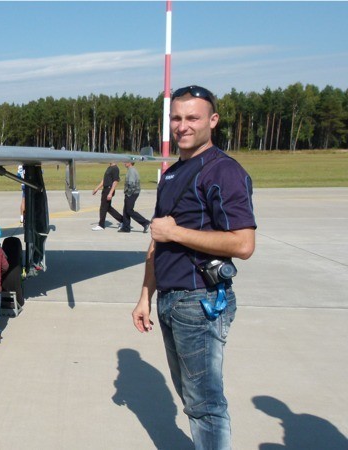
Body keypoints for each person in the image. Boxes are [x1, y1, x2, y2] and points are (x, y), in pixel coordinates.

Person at [131, 85, 256, 450]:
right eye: (176, 118)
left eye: (192, 118)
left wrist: (176, 232)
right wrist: (144, 296)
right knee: (192, 399)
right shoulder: (172, 173)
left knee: (205, 405)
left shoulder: (224, 171)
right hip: (170, 301)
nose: (182, 126)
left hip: (200, 300)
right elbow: (157, 239)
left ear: (212, 121)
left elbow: (243, 244)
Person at [119, 161, 152, 233]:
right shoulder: (131, 170)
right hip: (132, 192)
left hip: (132, 193)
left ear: (130, 163)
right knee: (126, 210)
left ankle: (145, 222)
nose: (124, 163)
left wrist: (128, 193)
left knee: (129, 210)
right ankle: (126, 227)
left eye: (126, 162)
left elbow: (132, 184)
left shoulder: (131, 171)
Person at [91, 162, 124, 231]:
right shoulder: (109, 167)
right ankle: (123, 220)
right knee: (108, 208)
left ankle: (101, 225)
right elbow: (104, 180)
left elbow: (115, 181)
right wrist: (96, 189)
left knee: (103, 207)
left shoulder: (115, 169)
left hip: (109, 189)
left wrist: (110, 193)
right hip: (105, 188)